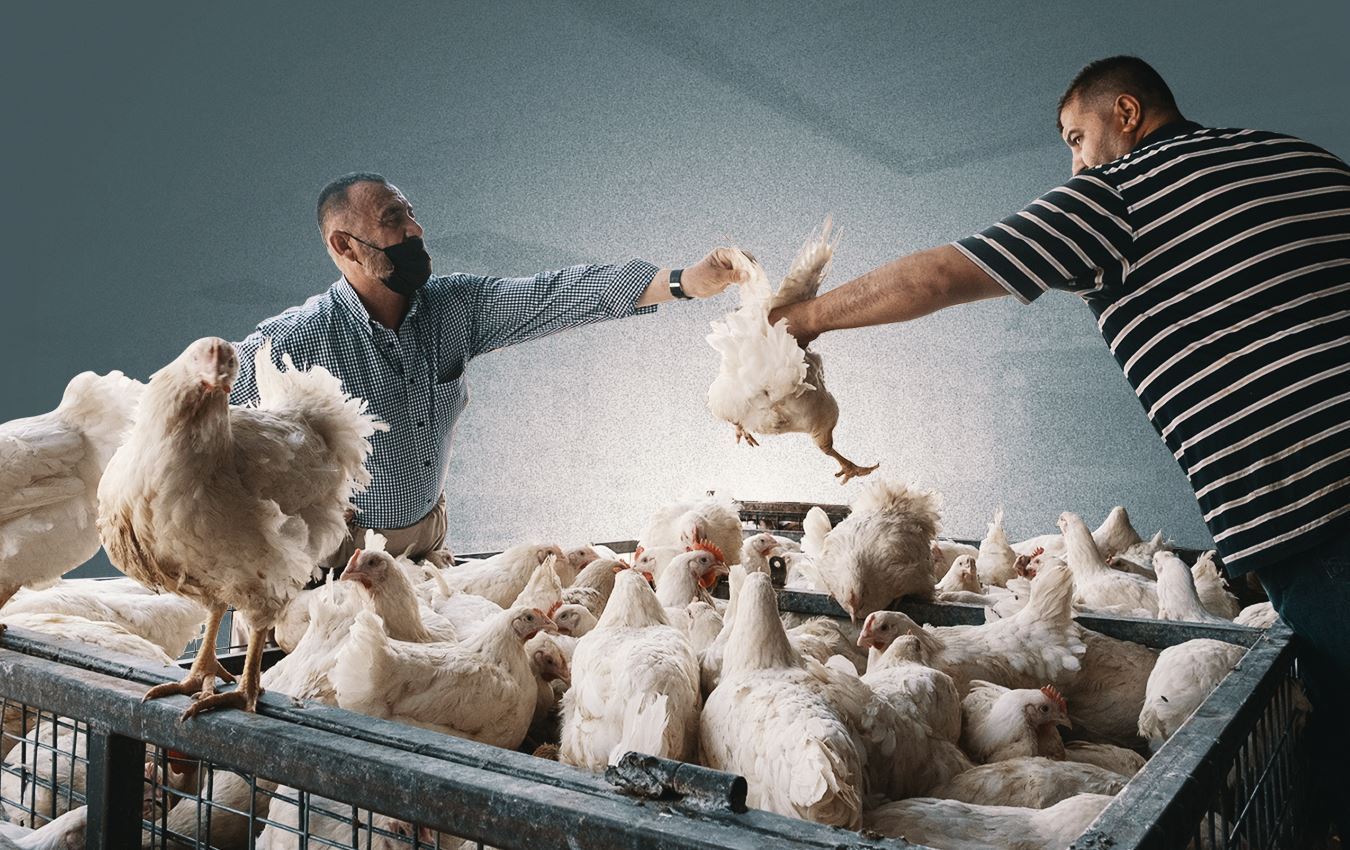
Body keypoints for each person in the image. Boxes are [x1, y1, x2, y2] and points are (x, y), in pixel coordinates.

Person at [769, 56, 1348, 836]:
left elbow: (939, 276)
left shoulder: (1118, 195)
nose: (1075, 163)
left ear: (1127, 114)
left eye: (1078, 138)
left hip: (1313, 506)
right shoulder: (1300, 161)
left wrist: (800, 322)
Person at [228, 172, 746, 570]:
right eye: (393, 219)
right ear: (345, 245)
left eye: (411, 215)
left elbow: (556, 295)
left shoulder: (456, 307)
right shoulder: (295, 340)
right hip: (338, 561)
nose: (415, 230)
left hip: (428, 546)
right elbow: (199, 416)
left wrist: (685, 282)